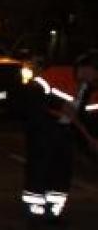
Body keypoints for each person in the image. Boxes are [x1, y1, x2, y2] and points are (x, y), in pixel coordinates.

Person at [21, 49, 98, 220]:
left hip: (67, 132)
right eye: (93, 73)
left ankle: (55, 208)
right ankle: (35, 207)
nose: (93, 78)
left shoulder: (93, 91)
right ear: (84, 67)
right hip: (43, 127)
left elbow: (91, 119)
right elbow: (33, 95)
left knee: (63, 168)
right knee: (40, 166)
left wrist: (91, 140)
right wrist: (57, 104)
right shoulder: (56, 74)